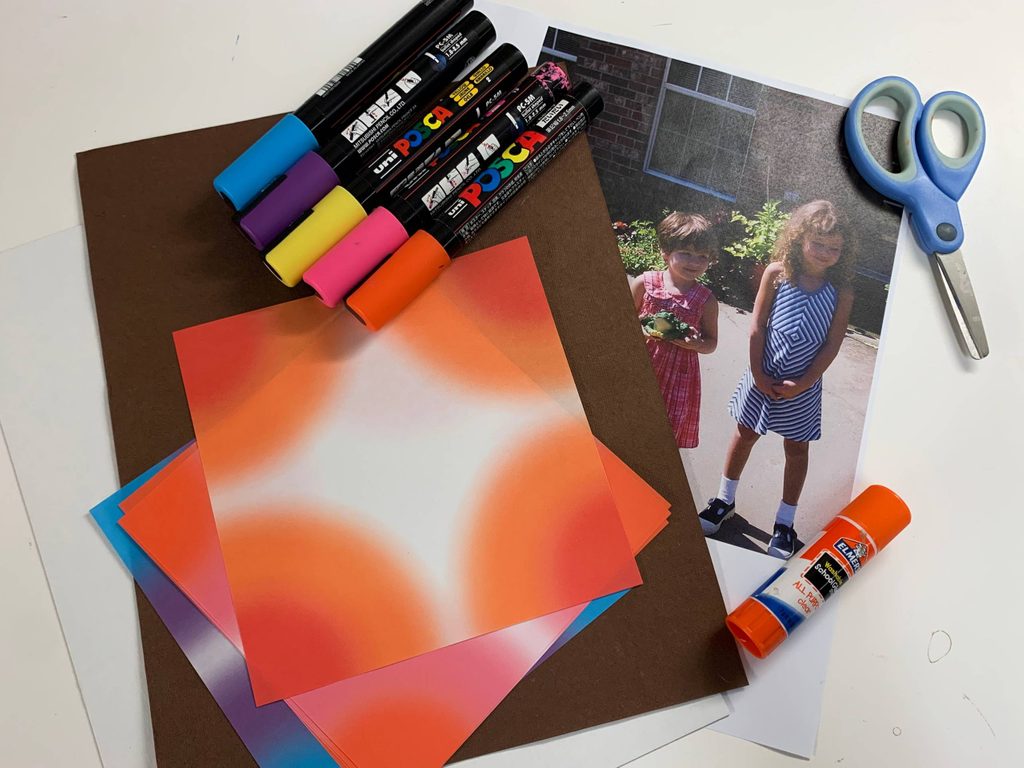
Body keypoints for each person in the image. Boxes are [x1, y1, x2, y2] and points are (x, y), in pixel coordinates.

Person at [698, 200, 856, 559]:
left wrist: (804, 383)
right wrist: (757, 371)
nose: (825, 253)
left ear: (844, 251)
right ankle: (724, 501)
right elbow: (757, 325)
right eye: (817, 243)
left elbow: (832, 344)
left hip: (803, 385)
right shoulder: (777, 273)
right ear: (799, 238)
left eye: (834, 248)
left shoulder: (840, 292)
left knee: (797, 449)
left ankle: (784, 523)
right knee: (744, 434)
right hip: (762, 373)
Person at [630, 212, 720, 449]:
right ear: (666, 252)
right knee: (629, 421)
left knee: (661, 436)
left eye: (702, 256)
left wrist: (697, 344)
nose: (695, 262)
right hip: (641, 366)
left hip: (678, 378)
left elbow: (712, 343)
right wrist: (644, 332)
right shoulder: (644, 283)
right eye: (686, 253)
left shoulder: (706, 301)